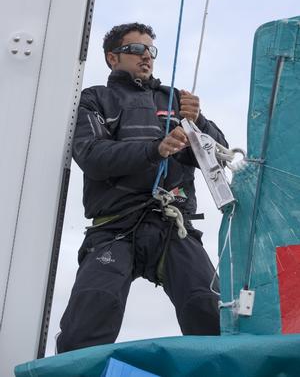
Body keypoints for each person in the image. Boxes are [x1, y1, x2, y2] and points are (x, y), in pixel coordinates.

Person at [56, 22, 228, 353]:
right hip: (114, 228)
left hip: (173, 227)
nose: (146, 56)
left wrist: (200, 122)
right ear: (112, 58)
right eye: (136, 49)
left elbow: (219, 159)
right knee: (91, 312)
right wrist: (155, 149)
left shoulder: (176, 100)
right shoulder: (95, 99)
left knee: (208, 310)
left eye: (150, 50)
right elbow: (90, 155)